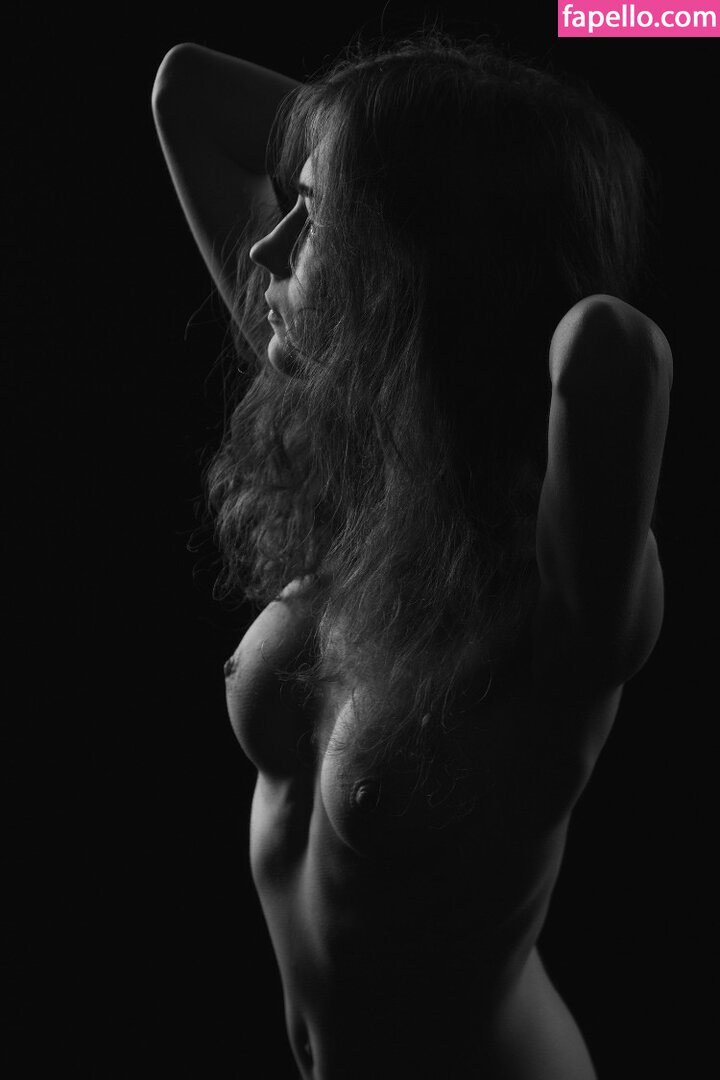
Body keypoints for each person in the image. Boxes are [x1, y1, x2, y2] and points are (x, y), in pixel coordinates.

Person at [152, 30, 672, 1079]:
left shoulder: (550, 587)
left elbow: (614, 348)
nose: (264, 250)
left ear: (410, 261)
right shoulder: (370, 462)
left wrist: (428, 181)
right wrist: (366, 156)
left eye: (312, 217)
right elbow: (184, 92)